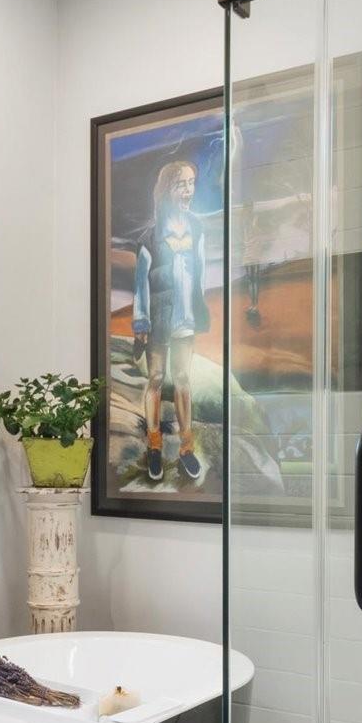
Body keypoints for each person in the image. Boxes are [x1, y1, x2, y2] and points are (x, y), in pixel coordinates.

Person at [132, 159, 210, 481]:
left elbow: (202, 275)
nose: (188, 190)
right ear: (168, 190)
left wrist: (199, 310)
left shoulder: (198, 230)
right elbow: (140, 287)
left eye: (192, 183)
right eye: (182, 184)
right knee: (155, 379)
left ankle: (186, 449)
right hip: (159, 323)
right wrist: (141, 324)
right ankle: (154, 445)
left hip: (185, 320)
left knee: (182, 379)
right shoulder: (150, 239)